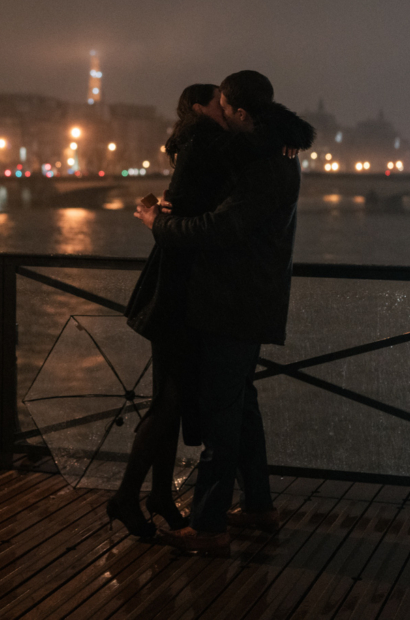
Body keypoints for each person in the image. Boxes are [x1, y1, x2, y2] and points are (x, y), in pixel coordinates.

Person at [135, 70, 314, 555]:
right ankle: (257, 503)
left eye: (221, 106)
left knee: (221, 415)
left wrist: (161, 223)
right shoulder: (276, 153)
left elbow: (220, 228)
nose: (217, 114)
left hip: (236, 301)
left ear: (238, 112)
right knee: (241, 405)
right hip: (250, 296)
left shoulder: (266, 165)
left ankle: (209, 524)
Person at [106, 83, 229, 539]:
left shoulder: (192, 145)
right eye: (221, 103)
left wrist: (160, 216)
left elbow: (178, 210)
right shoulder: (204, 146)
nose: (229, 109)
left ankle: (157, 496)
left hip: (176, 286)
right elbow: (182, 219)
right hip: (179, 290)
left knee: (169, 399)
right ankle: (125, 497)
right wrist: (160, 219)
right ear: (200, 108)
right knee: (171, 400)